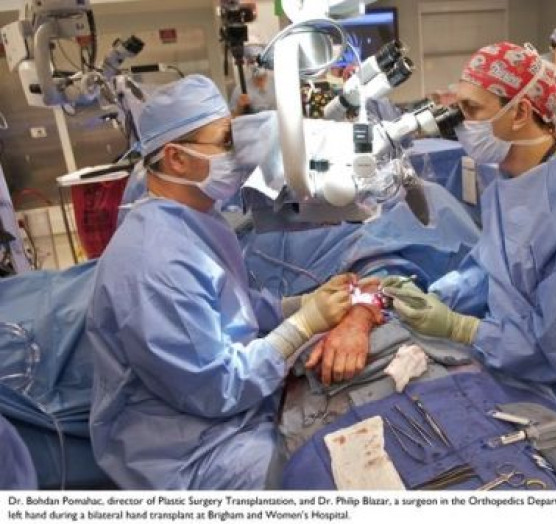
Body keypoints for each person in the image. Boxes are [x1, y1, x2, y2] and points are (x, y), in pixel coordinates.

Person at [86, 75, 355, 489]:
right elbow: (217, 387)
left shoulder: (194, 218)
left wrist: (296, 307)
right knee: (319, 476)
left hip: (229, 411)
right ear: (176, 159)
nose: (237, 153)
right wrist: (304, 327)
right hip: (190, 451)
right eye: (226, 141)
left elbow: (227, 305)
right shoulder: (155, 263)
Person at [381, 42, 556, 425]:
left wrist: (460, 327)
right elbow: (499, 267)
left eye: (472, 109)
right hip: (504, 355)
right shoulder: (512, 177)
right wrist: (439, 295)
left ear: (521, 111)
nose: (462, 123)